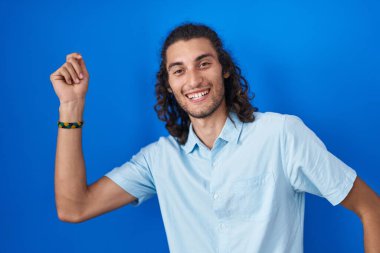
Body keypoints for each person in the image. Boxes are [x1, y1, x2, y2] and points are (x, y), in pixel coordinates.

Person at [50, 23, 380, 253]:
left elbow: (371, 208)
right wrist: (71, 106)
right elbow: (74, 207)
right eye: (178, 70)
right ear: (168, 84)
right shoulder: (159, 160)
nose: (193, 79)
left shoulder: (280, 135)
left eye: (203, 64)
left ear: (223, 68)